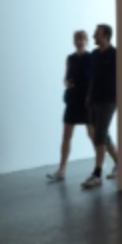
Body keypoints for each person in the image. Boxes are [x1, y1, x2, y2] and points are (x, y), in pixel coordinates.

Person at [47, 30, 94, 182]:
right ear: (74, 41)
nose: (79, 41)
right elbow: (65, 77)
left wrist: (90, 96)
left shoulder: (91, 57)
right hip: (73, 99)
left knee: (92, 134)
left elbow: (94, 79)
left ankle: (98, 168)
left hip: (86, 100)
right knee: (66, 135)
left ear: (86, 41)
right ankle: (61, 170)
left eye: (82, 39)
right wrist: (66, 83)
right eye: (77, 39)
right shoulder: (70, 58)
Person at [83, 23, 119, 189]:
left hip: (110, 100)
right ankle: (120, 163)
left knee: (100, 134)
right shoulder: (94, 55)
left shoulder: (116, 54)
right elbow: (92, 78)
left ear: (105, 35)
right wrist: (88, 96)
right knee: (102, 134)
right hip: (94, 100)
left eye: (96, 33)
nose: (93, 36)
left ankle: (97, 174)